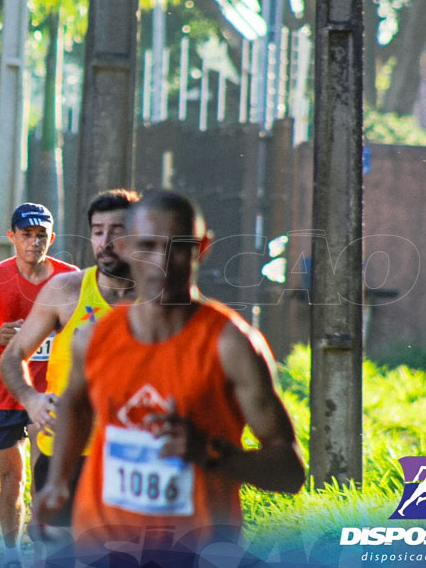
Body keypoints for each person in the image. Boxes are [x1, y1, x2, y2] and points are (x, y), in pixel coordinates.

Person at [34, 189, 305, 564]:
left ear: (202, 247)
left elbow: (290, 472)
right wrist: (58, 481)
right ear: (126, 247)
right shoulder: (95, 338)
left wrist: (210, 452)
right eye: (147, 245)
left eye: (178, 247)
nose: (162, 262)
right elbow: (75, 407)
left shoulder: (231, 344)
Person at [0, 189, 139, 543]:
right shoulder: (66, 290)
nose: (105, 241)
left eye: (117, 230)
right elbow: (13, 356)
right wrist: (31, 399)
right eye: (97, 231)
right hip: (64, 453)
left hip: (130, 460)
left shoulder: (159, 300)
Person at [0, 203, 77, 567]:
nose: (34, 241)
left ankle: (43, 551)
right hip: (4, 392)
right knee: (10, 477)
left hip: (49, 395)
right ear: (11, 237)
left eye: (41, 234)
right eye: (26, 234)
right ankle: (11, 554)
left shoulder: (69, 279)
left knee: (43, 477)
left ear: (52, 238)